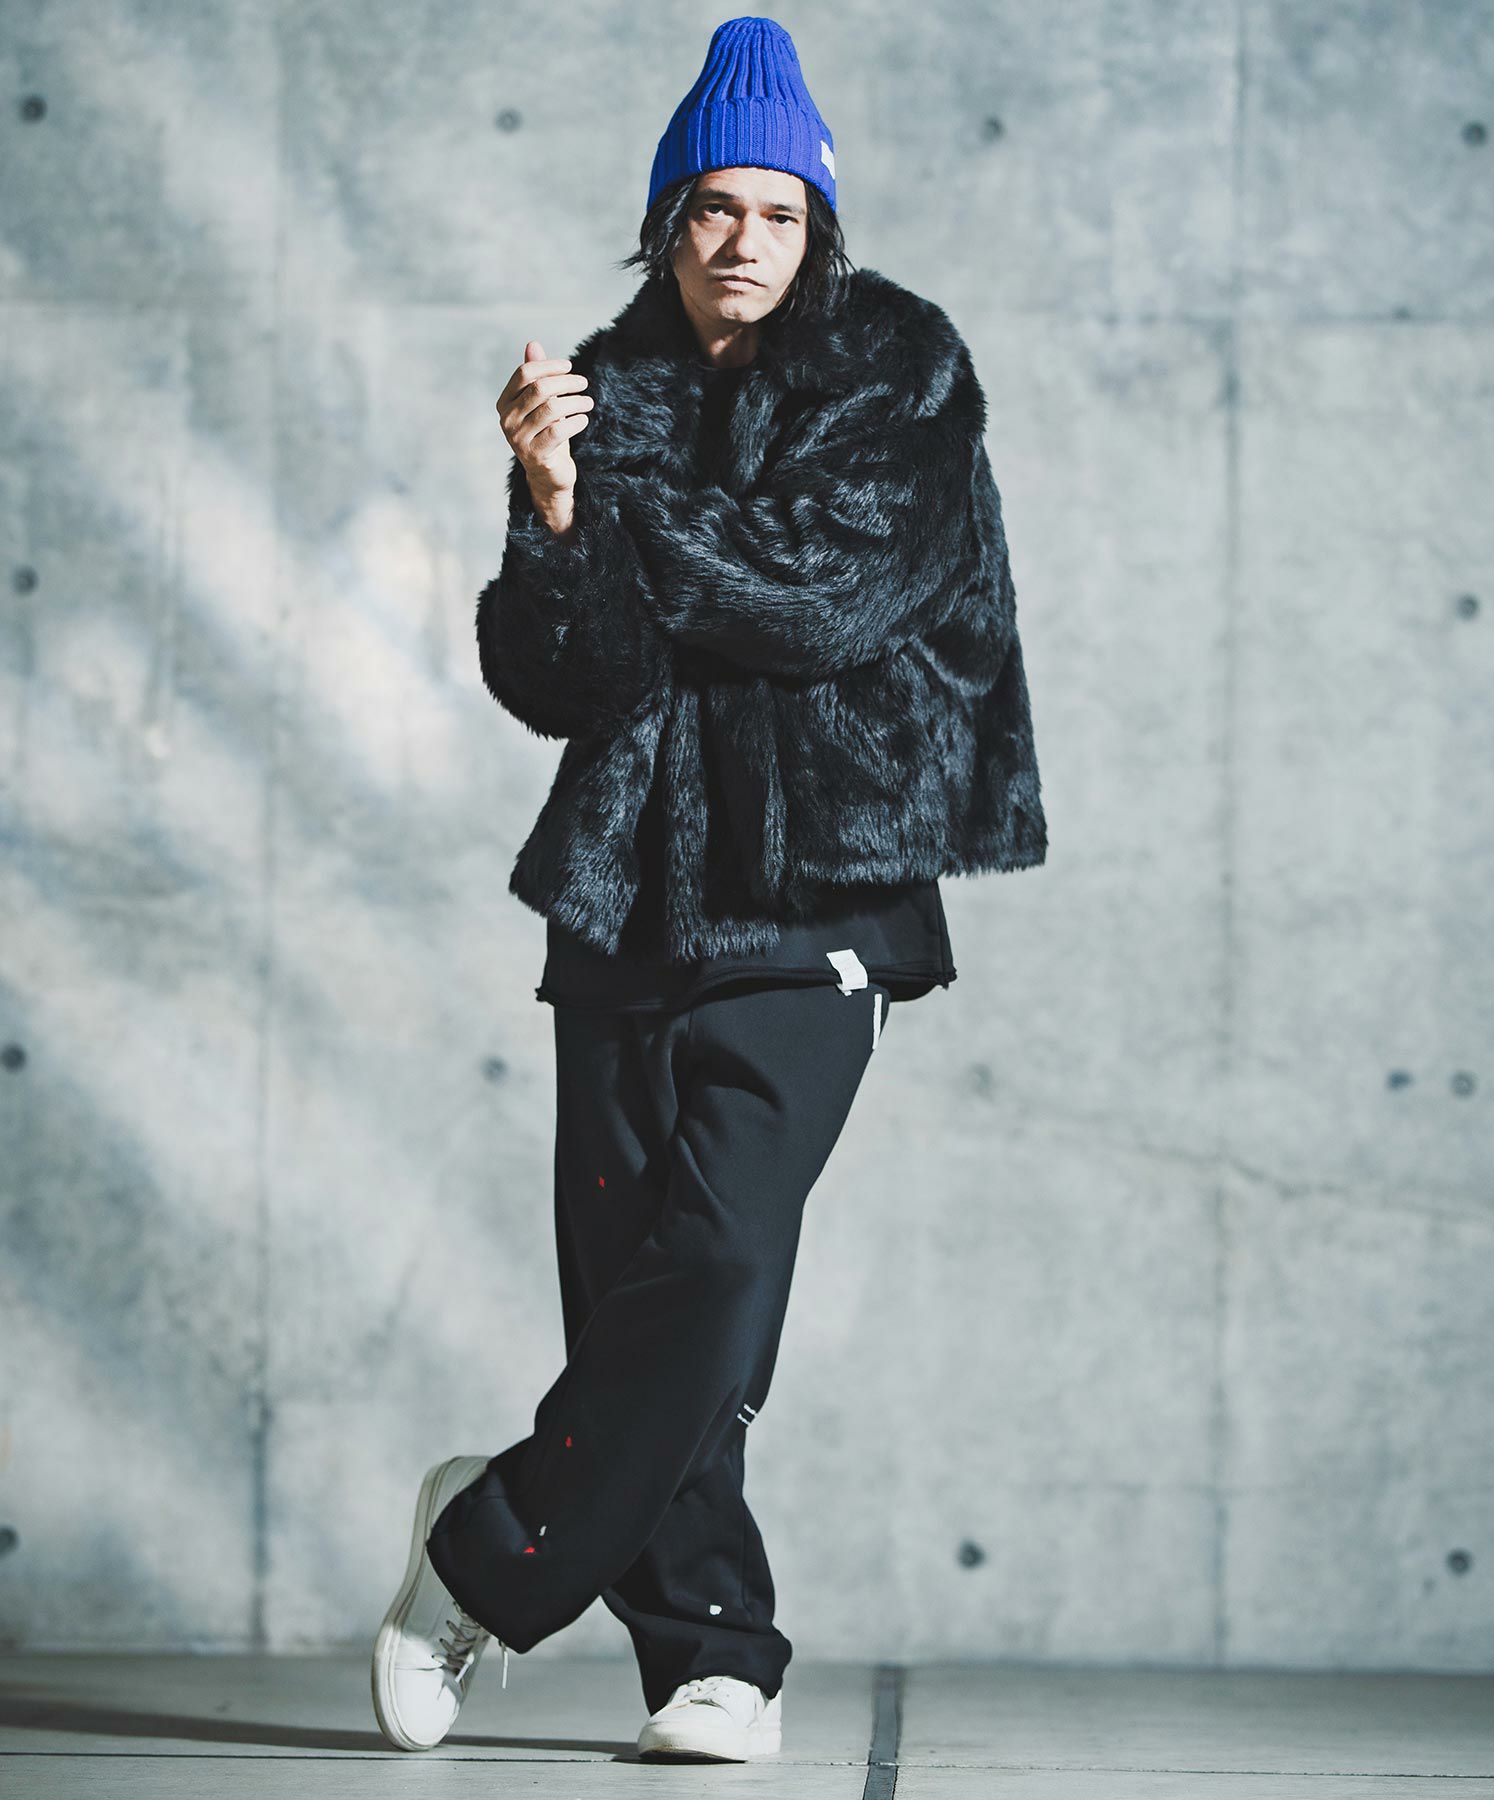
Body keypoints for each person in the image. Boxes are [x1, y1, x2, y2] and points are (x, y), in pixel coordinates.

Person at [371, 13, 1046, 1765]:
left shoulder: (899, 369)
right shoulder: (602, 393)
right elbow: (560, 679)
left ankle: (484, 1548)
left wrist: (619, 524)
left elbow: (819, 598)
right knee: (636, 1284)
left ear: (820, 228)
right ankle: (709, 1655)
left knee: (723, 1257)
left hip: (821, 887)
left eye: (780, 212)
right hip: (623, 894)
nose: (746, 239)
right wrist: (550, 503)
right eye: (715, 207)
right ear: (667, 220)